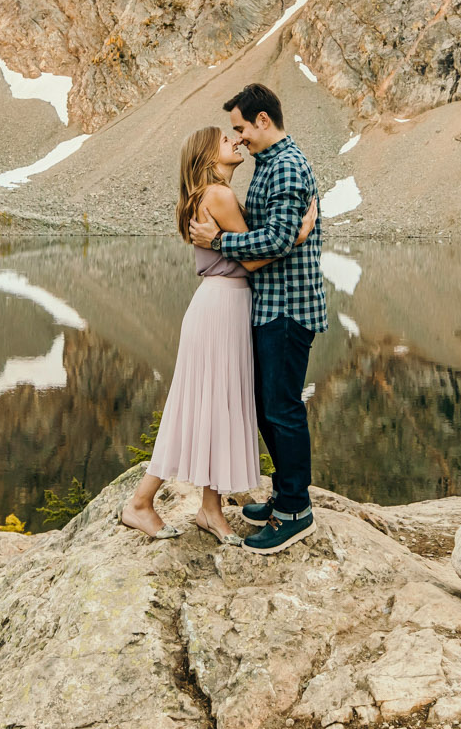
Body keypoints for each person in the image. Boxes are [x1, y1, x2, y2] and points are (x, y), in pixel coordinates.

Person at [123, 124, 317, 544]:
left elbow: (240, 249)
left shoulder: (206, 195)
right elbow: (251, 258)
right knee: (204, 403)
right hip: (223, 305)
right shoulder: (220, 195)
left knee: (215, 403)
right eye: (225, 140)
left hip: (220, 305)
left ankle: (210, 509)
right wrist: (298, 236)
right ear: (209, 157)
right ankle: (140, 503)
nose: (235, 141)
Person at [188, 82, 326, 554]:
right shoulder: (270, 164)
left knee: (282, 409)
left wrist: (218, 242)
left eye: (241, 127)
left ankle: (295, 512)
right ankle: (284, 495)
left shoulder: (286, 166)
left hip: (288, 307)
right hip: (270, 305)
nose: (239, 137)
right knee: (269, 406)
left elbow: (276, 240)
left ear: (263, 120)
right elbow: (282, 236)